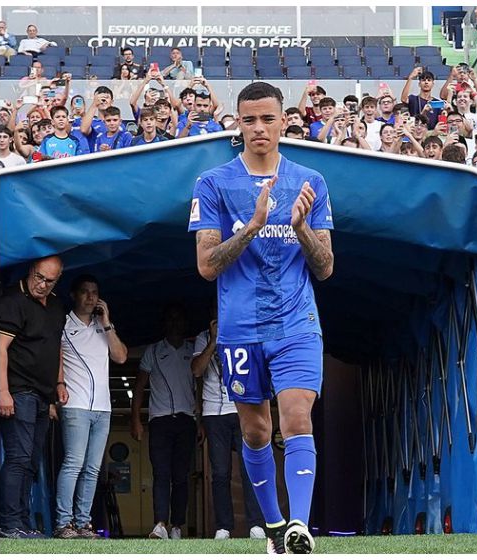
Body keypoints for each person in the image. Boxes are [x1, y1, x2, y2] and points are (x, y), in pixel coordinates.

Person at [189, 81, 334, 554]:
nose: (258, 128)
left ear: (284, 121)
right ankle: (273, 528)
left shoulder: (311, 181)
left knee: (297, 418)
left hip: (296, 324)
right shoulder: (212, 183)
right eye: (248, 119)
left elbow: (326, 266)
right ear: (237, 122)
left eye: (267, 118)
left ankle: (299, 526)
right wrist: (252, 226)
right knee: (255, 431)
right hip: (239, 328)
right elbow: (207, 266)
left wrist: (300, 229)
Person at [54, 275, 127, 539]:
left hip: (103, 407)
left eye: (95, 292)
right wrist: (57, 387)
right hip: (75, 404)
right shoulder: (62, 324)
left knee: (93, 468)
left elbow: (120, 357)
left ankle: (84, 524)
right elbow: (54, 359)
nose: (90, 297)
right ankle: (64, 523)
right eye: (84, 292)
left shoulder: (103, 325)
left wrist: (107, 323)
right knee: (74, 462)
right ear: (73, 294)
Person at [0, 256, 67, 539]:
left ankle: (22, 523)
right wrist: (2, 391)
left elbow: (56, 348)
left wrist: (58, 385)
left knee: (31, 459)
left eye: (49, 281)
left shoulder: (56, 306)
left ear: (57, 281)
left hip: (43, 394)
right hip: (19, 390)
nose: (41, 284)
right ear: (30, 271)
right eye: (38, 277)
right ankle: (8, 523)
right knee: (18, 457)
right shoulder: (13, 300)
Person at [191, 304, 266, 541]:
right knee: (220, 471)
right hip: (214, 413)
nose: (220, 316)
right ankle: (223, 526)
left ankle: (256, 525)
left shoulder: (244, 332)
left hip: (242, 408)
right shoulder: (202, 338)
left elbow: (257, 368)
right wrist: (213, 341)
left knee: (249, 469)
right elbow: (196, 371)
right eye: (215, 314)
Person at [130, 304, 197, 541]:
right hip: (159, 421)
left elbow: (200, 384)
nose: (175, 323)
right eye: (171, 318)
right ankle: (160, 524)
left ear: (185, 323)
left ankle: (177, 525)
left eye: (179, 318)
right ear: (164, 323)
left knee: (181, 476)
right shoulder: (154, 350)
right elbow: (139, 387)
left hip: (187, 422)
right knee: (161, 474)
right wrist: (136, 419)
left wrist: (201, 420)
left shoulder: (193, 350)